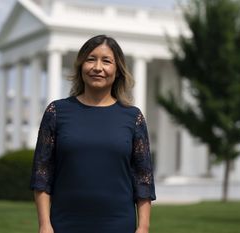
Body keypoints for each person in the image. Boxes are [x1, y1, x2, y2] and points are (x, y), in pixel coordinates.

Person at [30, 34, 156, 233]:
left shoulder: (133, 118)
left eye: (106, 61)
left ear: (118, 70)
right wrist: (44, 225)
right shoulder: (56, 112)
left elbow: (143, 179)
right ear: (81, 66)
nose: (98, 67)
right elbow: (42, 174)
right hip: (65, 223)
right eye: (91, 59)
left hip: (118, 223)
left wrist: (143, 227)